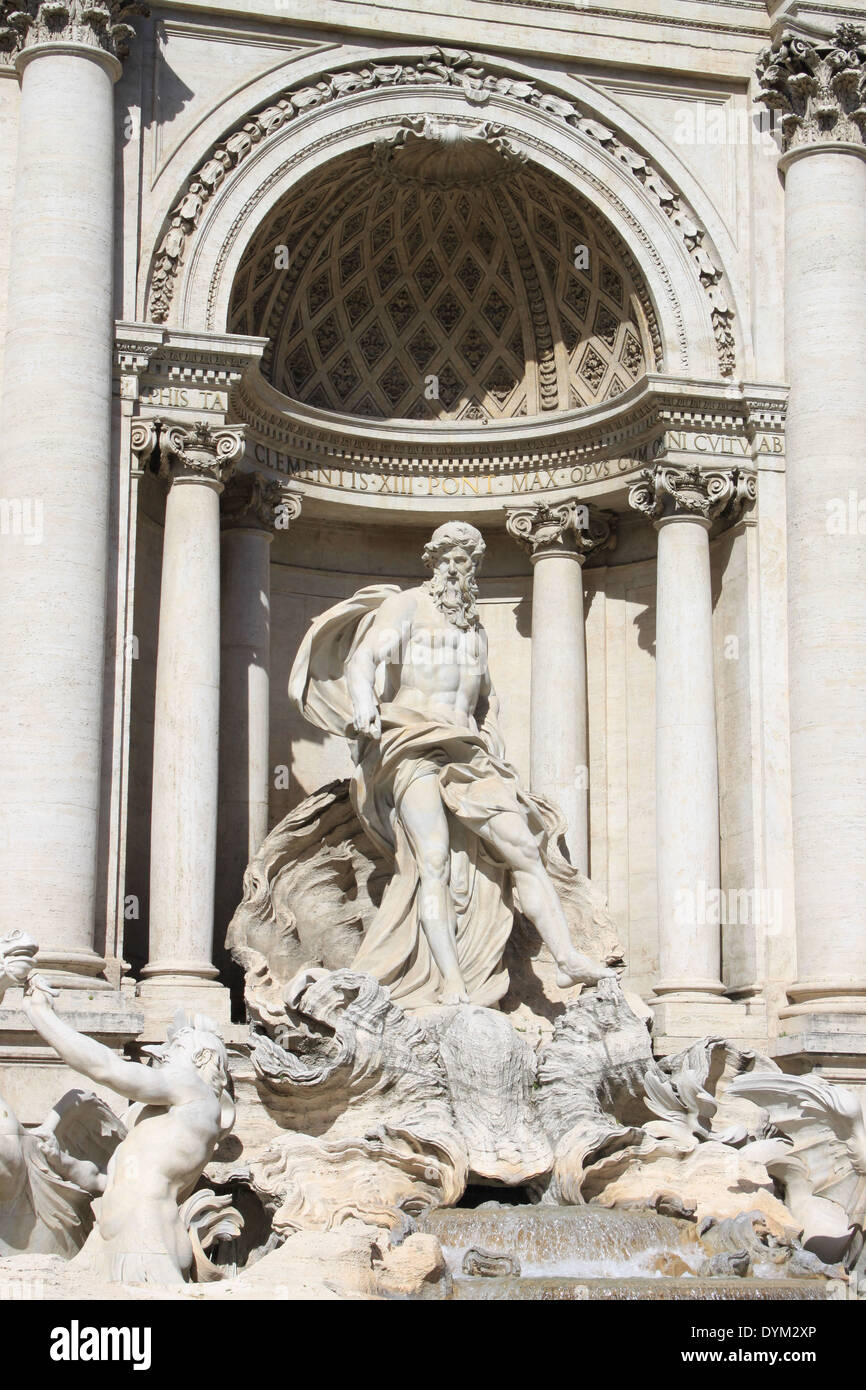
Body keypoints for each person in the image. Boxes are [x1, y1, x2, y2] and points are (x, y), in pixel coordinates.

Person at [290, 520, 613, 1007]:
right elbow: (363, 661)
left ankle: (566, 958)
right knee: (433, 861)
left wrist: (493, 736)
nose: (458, 568)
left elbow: (486, 696)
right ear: (433, 562)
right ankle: (452, 983)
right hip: (412, 740)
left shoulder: (475, 627)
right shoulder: (407, 605)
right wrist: (363, 705)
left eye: (467, 560)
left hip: (467, 749)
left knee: (524, 847)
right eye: (449, 559)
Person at [21, 974, 234, 1284]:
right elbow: (104, 1182)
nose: (164, 1054)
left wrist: (41, 1015)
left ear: (201, 1058)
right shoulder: (160, 1121)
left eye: (175, 1048)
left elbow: (108, 1068)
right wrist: (61, 1161)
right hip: (110, 1239)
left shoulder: (196, 1091)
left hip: (146, 1239)